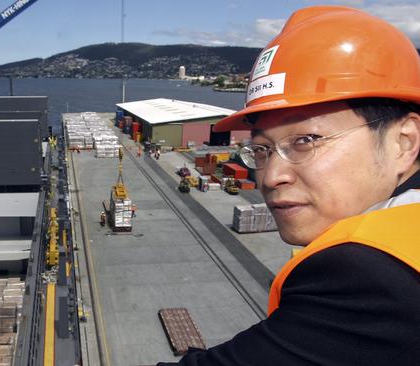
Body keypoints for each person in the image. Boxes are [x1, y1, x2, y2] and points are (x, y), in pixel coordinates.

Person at [158, 6, 419, 365]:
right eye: (261, 149)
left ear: (403, 142)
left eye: (306, 141)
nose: (270, 176)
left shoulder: (367, 274)